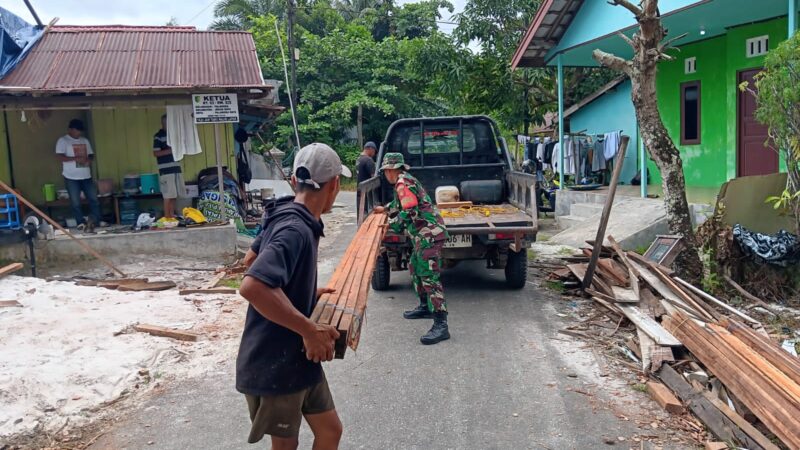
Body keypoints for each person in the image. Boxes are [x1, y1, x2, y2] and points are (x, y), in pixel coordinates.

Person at [237, 142, 351, 450]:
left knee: (330, 431)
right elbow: (252, 285)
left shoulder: (284, 212)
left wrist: (303, 290)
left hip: (297, 358)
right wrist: (309, 329)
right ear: (336, 184)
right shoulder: (294, 228)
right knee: (285, 446)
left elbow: (250, 259)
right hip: (275, 360)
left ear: (293, 181)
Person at [376, 152, 450, 345]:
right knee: (415, 267)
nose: (385, 174)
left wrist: (389, 224)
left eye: (386, 171)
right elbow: (398, 204)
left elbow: (410, 211)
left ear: (391, 170)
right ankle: (425, 306)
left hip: (429, 234)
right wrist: (384, 210)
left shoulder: (403, 184)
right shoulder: (404, 181)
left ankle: (441, 325)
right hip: (421, 235)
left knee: (428, 276)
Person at [55, 119, 106, 230]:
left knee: (94, 199)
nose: (79, 133)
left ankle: (97, 220)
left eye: (80, 131)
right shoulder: (63, 141)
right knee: (75, 202)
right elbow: (59, 157)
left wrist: (89, 160)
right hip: (71, 176)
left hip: (86, 175)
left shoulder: (85, 140)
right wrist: (75, 159)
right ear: (70, 130)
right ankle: (80, 222)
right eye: (77, 130)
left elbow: (91, 155)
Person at [152, 114, 186, 218]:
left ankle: (172, 215)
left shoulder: (174, 135)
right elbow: (156, 153)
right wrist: (171, 150)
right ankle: (167, 217)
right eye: (166, 123)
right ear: (162, 123)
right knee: (168, 195)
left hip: (176, 168)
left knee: (174, 195)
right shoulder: (158, 136)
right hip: (166, 171)